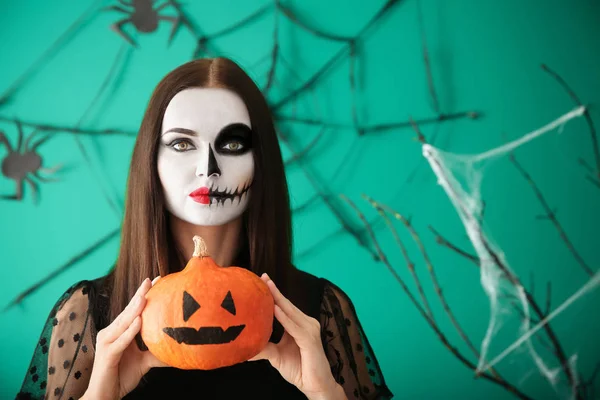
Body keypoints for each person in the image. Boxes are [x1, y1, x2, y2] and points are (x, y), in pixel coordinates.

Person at [16, 57, 393, 400]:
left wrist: (325, 393)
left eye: (231, 143)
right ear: (152, 163)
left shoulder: (318, 312)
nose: (207, 168)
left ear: (261, 162)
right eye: (181, 143)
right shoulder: (86, 314)